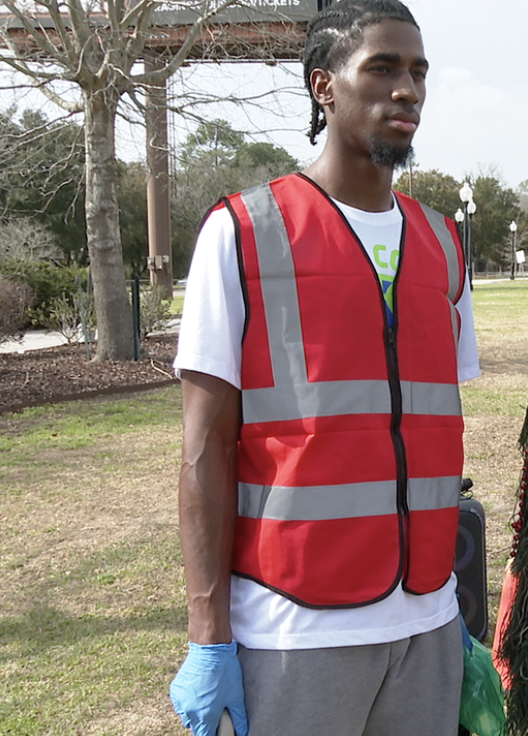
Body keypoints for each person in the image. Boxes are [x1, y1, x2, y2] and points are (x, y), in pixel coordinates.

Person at [167, 1, 479, 734]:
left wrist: (453, 608)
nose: (407, 90)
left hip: (428, 625)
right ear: (324, 87)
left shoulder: (444, 248)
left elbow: (428, 443)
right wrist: (207, 633)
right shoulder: (242, 234)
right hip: (294, 633)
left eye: (418, 73)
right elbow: (203, 448)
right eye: (382, 68)